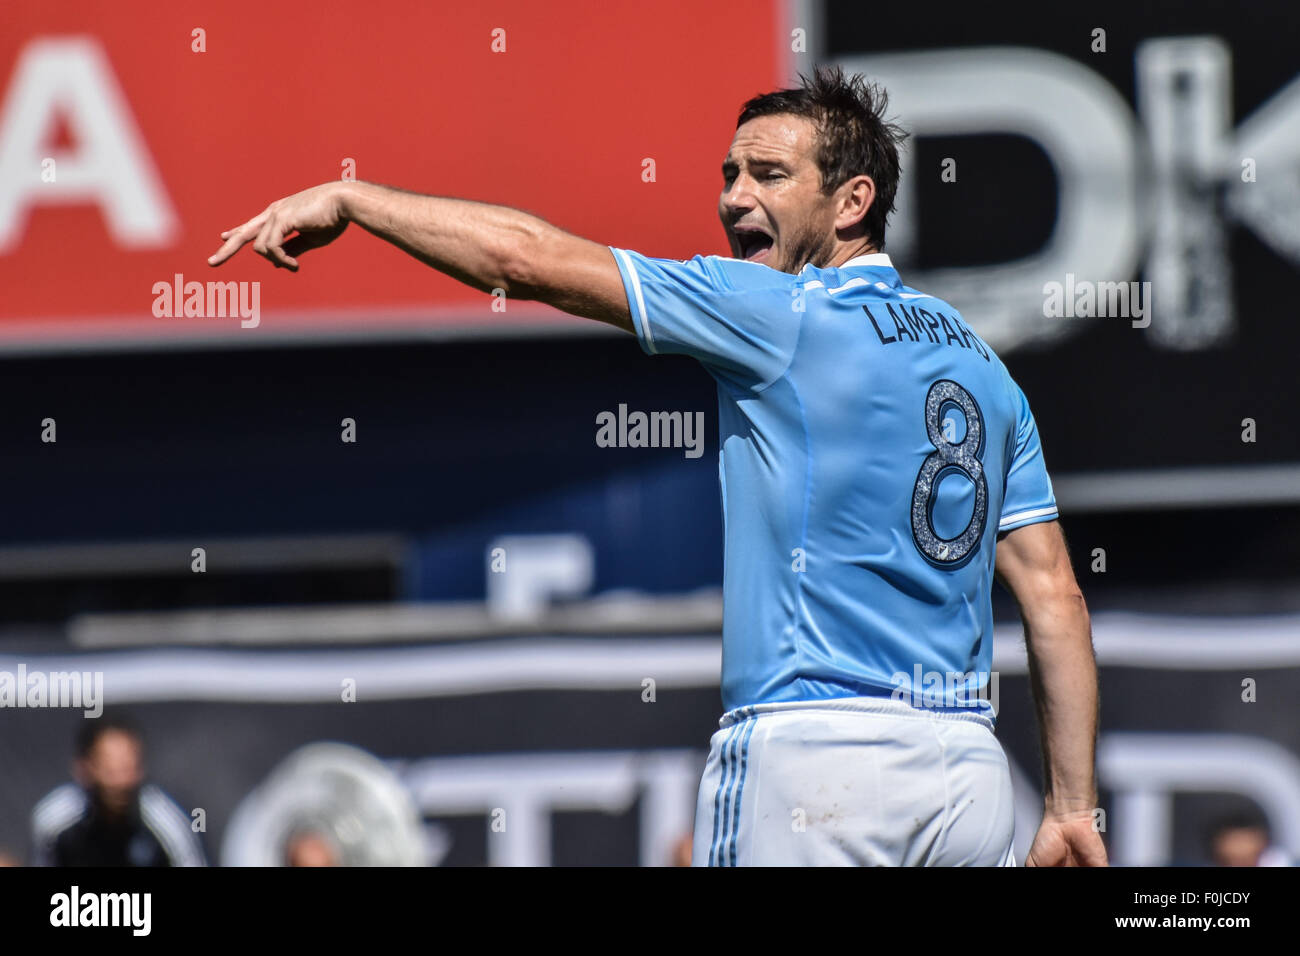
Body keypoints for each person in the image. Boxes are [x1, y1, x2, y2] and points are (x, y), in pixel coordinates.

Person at [209, 66, 1104, 867]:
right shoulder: (984, 368)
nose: (734, 196)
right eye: (730, 173)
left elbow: (525, 260)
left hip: (816, 763)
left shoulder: (775, 309)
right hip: (970, 777)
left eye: (769, 174)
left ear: (852, 201)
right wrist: (1069, 804)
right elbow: (1054, 595)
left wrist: (356, 200)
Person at [30, 715, 207, 867]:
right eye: (111, 770)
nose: (122, 784)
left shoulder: (168, 822)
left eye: (129, 768)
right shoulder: (54, 821)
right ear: (85, 769)